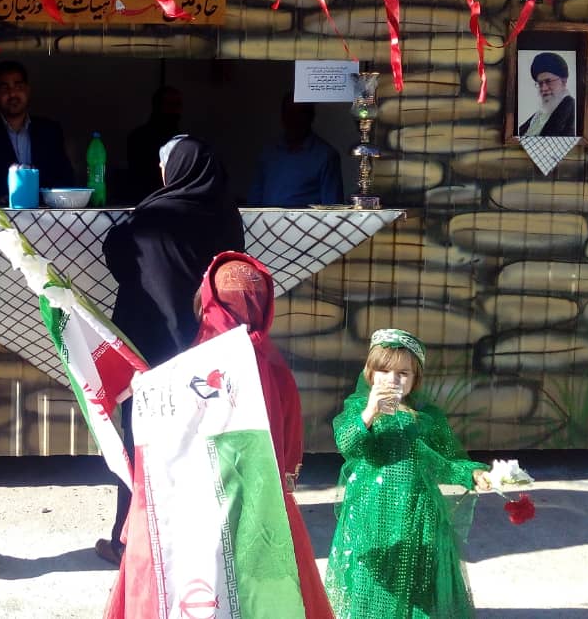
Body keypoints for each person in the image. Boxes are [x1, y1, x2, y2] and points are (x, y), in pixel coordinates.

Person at [95, 134, 245, 565]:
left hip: (149, 349)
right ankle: (200, 543)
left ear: (175, 168)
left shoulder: (152, 215)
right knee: (200, 442)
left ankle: (130, 542)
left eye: (164, 165)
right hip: (205, 349)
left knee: (142, 442)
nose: (161, 173)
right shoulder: (227, 216)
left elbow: (118, 258)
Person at [191, 251, 334, 618]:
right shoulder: (272, 363)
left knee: (205, 582)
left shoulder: (195, 363)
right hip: (263, 496)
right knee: (267, 582)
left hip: (204, 493)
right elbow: (291, 428)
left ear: (209, 303)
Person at [324, 328, 491, 619]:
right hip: (372, 514)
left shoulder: (427, 418)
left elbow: (447, 461)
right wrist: (370, 412)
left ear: (416, 380)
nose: (392, 379)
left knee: (420, 580)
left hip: (420, 513)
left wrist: (473, 474)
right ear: (369, 373)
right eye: (384, 371)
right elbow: (348, 444)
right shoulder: (358, 408)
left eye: (403, 373)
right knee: (373, 583)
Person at [0, 60, 74, 204]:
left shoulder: (50, 131)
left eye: (18, 86)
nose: (13, 94)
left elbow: (65, 179)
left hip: (47, 213)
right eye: (5, 88)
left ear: (27, 90)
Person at [248, 93, 342, 207]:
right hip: (265, 218)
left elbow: (332, 208)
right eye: (289, 113)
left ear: (311, 116)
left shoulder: (326, 156)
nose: (293, 119)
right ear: (282, 117)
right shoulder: (268, 153)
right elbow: (254, 202)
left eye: (299, 114)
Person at [125, 85, 182, 204]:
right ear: (158, 106)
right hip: (147, 202)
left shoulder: (182, 140)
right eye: (170, 104)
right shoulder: (140, 137)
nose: (175, 110)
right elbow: (140, 176)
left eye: (178, 105)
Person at [519, 51, 576, 136]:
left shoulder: (572, 109)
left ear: (563, 81)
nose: (543, 88)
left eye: (548, 81)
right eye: (540, 83)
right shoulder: (540, 114)